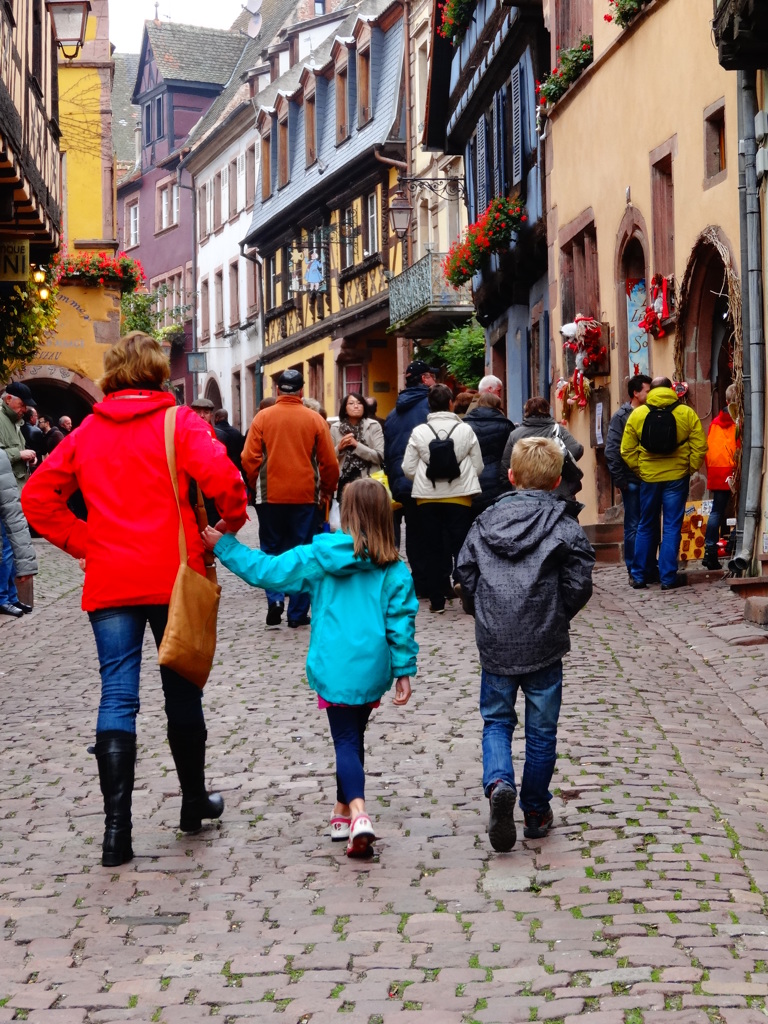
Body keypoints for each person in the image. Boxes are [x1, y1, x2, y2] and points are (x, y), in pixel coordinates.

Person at [21, 332, 248, 867]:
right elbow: (229, 484)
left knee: (117, 695)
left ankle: (116, 832)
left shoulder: (88, 432)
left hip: (111, 581)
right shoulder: (181, 423)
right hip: (175, 575)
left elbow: (38, 498)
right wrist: (224, 528)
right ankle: (193, 801)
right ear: (156, 372)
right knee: (182, 693)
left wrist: (84, 543)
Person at [203, 477, 418, 858]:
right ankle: (340, 812)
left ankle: (359, 814)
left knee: (346, 741)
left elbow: (266, 571)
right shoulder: (393, 567)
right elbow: (400, 622)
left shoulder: (321, 558)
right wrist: (403, 670)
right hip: (372, 667)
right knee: (354, 736)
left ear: (345, 514)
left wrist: (224, 546)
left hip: (334, 665)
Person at [454, 437, 595, 852]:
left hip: (497, 639)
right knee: (541, 730)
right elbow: (580, 580)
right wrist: (557, 612)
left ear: (511, 477)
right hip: (544, 639)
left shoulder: (485, 521)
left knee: (497, 721)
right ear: (556, 482)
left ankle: (499, 781)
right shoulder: (563, 523)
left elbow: (465, 570)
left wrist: (483, 610)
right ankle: (534, 809)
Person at [242, 367, 339, 628]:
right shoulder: (314, 420)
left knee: (271, 549)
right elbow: (329, 463)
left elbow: (248, 459)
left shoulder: (262, 418)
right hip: (305, 496)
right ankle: (297, 614)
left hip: (269, 496)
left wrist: (256, 485)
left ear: (277, 390)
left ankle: (274, 599)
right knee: (303, 552)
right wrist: (327, 489)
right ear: (302, 391)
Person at [402, 383, 484, 613]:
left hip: (426, 499)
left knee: (432, 547)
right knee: (462, 546)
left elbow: (408, 467)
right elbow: (478, 466)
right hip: (460, 497)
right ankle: (466, 590)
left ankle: (437, 600)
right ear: (450, 403)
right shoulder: (465, 430)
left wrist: (424, 478)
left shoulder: (419, 432)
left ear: (429, 405)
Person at [621, 376, 707, 590]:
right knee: (671, 527)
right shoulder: (686, 413)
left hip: (649, 478)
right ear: (671, 389)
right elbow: (700, 446)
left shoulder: (638, 414)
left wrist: (640, 470)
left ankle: (639, 576)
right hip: (676, 478)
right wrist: (689, 468)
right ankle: (668, 578)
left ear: (651, 392)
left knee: (645, 525)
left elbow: (626, 450)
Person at [383, 360, 438, 596]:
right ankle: (436, 582)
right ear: (425, 379)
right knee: (435, 531)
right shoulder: (432, 406)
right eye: (432, 377)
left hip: (402, 481)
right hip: (429, 479)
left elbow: (388, 452)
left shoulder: (393, 414)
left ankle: (420, 580)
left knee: (414, 532)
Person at [604, 374, 654, 581]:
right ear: (636, 393)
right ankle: (634, 569)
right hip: (631, 481)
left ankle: (649, 566)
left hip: (649, 479)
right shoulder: (621, 416)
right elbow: (612, 450)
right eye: (647, 391)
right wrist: (621, 480)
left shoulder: (651, 412)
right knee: (634, 524)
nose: (650, 394)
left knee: (649, 524)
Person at [500, 397, 584, 513]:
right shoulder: (557, 430)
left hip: (524, 493)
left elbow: (506, 466)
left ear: (526, 412)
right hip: (557, 491)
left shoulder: (515, 435)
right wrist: (554, 462)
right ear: (547, 410)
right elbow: (576, 449)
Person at [0, 383, 38, 617]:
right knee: (7, 547)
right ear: (8, 398)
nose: (24, 409)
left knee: (12, 546)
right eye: (22, 405)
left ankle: (12, 597)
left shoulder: (14, 421)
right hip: (4, 493)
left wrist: (27, 458)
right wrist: (18, 454)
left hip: (14, 490)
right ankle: (3, 597)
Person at [702, 383, 739, 570]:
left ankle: (709, 551)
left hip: (717, 471)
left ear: (725, 401)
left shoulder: (714, 423)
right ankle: (733, 543)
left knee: (716, 511)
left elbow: (708, 449)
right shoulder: (738, 422)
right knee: (740, 509)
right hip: (734, 471)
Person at [463, 392, 515, 516]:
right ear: (497, 406)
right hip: (497, 479)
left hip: (471, 479)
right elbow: (511, 456)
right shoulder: (505, 425)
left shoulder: (464, 424)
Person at [330, 392, 385, 506]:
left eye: (359, 403)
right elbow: (329, 458)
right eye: (351, 403)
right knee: (348, 520)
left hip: (369, 481)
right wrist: (339, 447)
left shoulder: (373, 426)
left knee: (369, 519)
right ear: (345, 408)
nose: (356, 406)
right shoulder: (335, 428)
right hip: (344, 481)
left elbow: (379, 457)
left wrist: (357, 445)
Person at [214, 408, 246, 475]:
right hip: (235, 468)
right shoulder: (236, 432)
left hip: (220, 469)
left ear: (217, 418)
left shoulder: (214, 432)